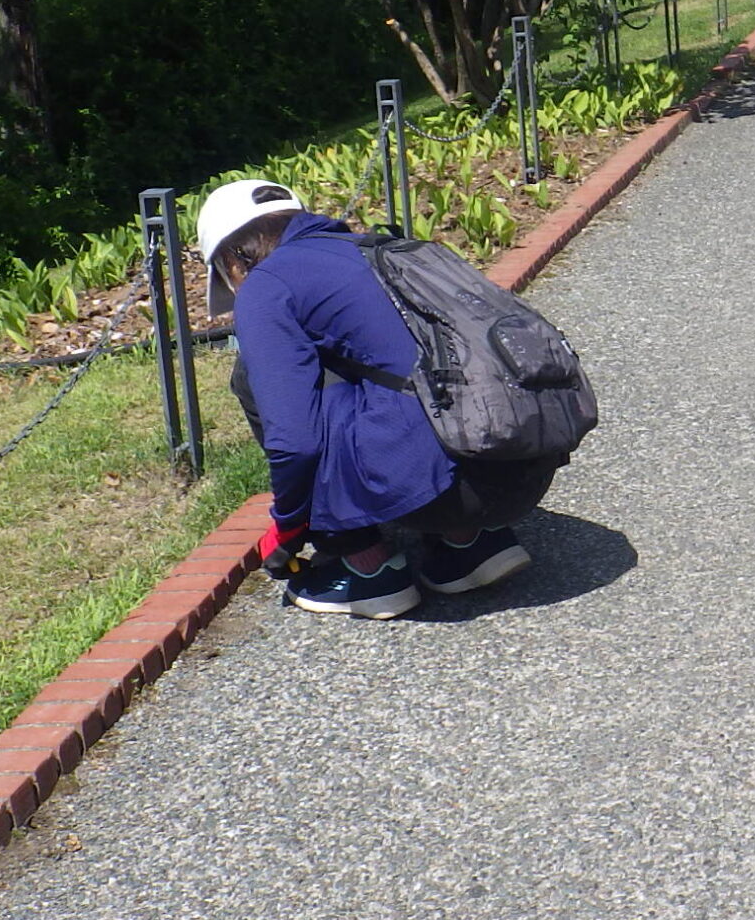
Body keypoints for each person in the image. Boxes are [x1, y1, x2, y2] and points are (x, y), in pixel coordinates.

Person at [196, 179, 553, 618]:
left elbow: (296, 441)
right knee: (391, 372)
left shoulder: (266, 283)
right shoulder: (377, 248)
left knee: (255, 378)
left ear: (233, 258)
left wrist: (289, 528)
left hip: (451, 491)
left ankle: (368, 568)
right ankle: (471, 544)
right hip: (526, 460)